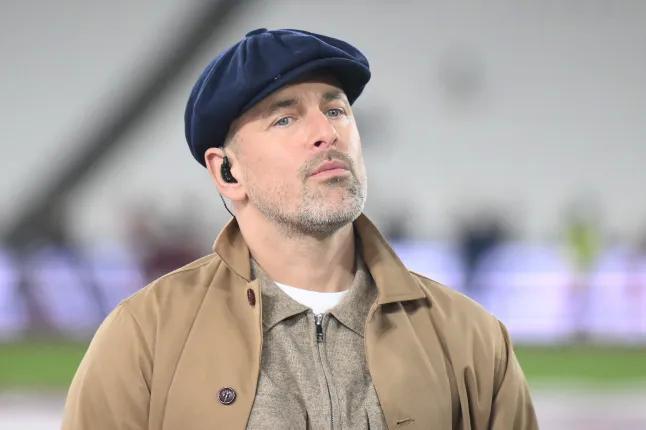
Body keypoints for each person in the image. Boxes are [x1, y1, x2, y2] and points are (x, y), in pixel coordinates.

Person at [62, 28, 537, 429]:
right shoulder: (146, 337)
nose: (327, 133)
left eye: (336, 110)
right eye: (285, 118)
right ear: (227, 172)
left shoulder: (470, 338)